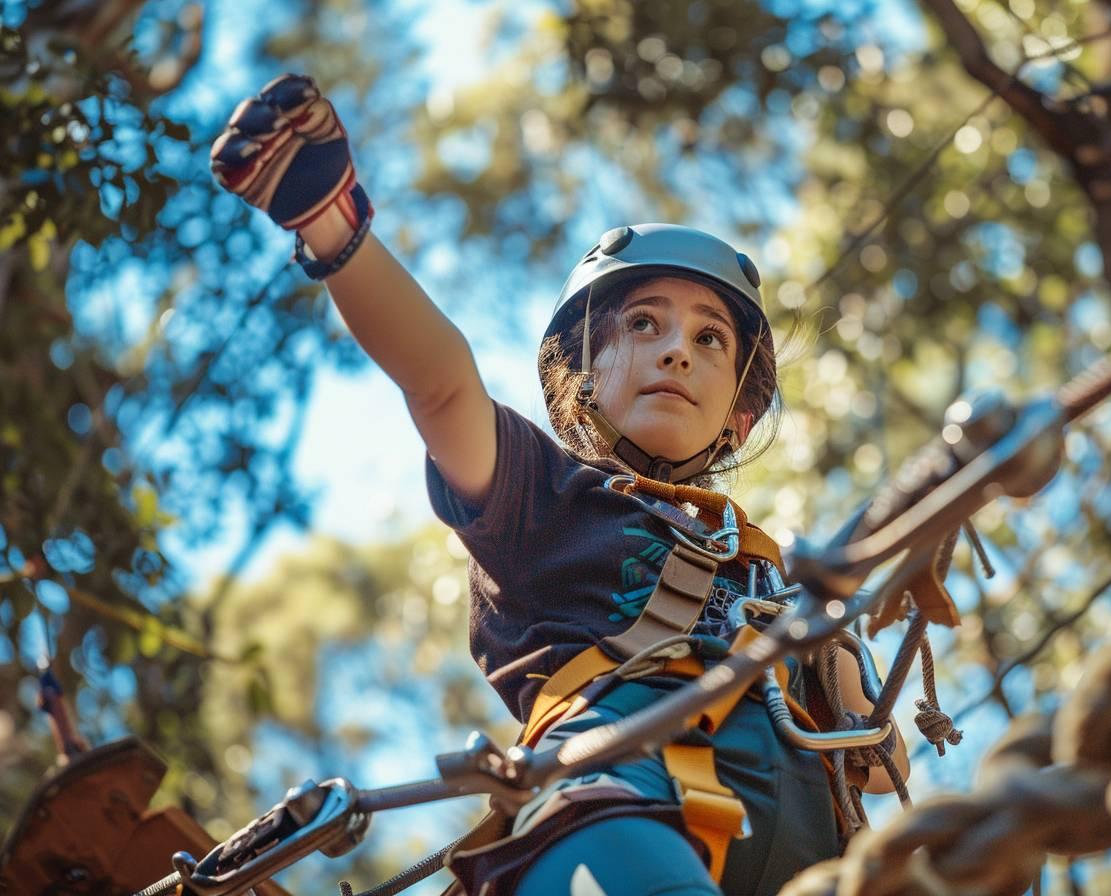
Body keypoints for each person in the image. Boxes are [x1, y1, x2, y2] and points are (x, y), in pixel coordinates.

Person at [211, 74, 909, 896]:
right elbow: (442, 387)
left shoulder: (774, 572)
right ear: (580, 380)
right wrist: (334, 224)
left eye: (710, 338)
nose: (677, 350)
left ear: (737, 422)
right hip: (609, 824)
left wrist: (831, 638)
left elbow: (875, 766)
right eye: (643, 324)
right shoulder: (543, 499)